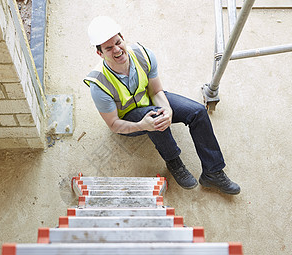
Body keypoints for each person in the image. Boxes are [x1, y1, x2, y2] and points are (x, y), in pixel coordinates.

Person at [84, 16, 240, 195]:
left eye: (118, 42)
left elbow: (156, 91)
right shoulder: (99, 84)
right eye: (109, 48)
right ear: (100, 53)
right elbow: (113, 125)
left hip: (150, 101)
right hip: (129, 119)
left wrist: (168, 110)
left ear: (123, 38)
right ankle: (174, 161)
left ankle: (213, 172)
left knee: (197, 112)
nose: (117, 50)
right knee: (155, 117)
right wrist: (141, 125)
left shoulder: (143, 55)